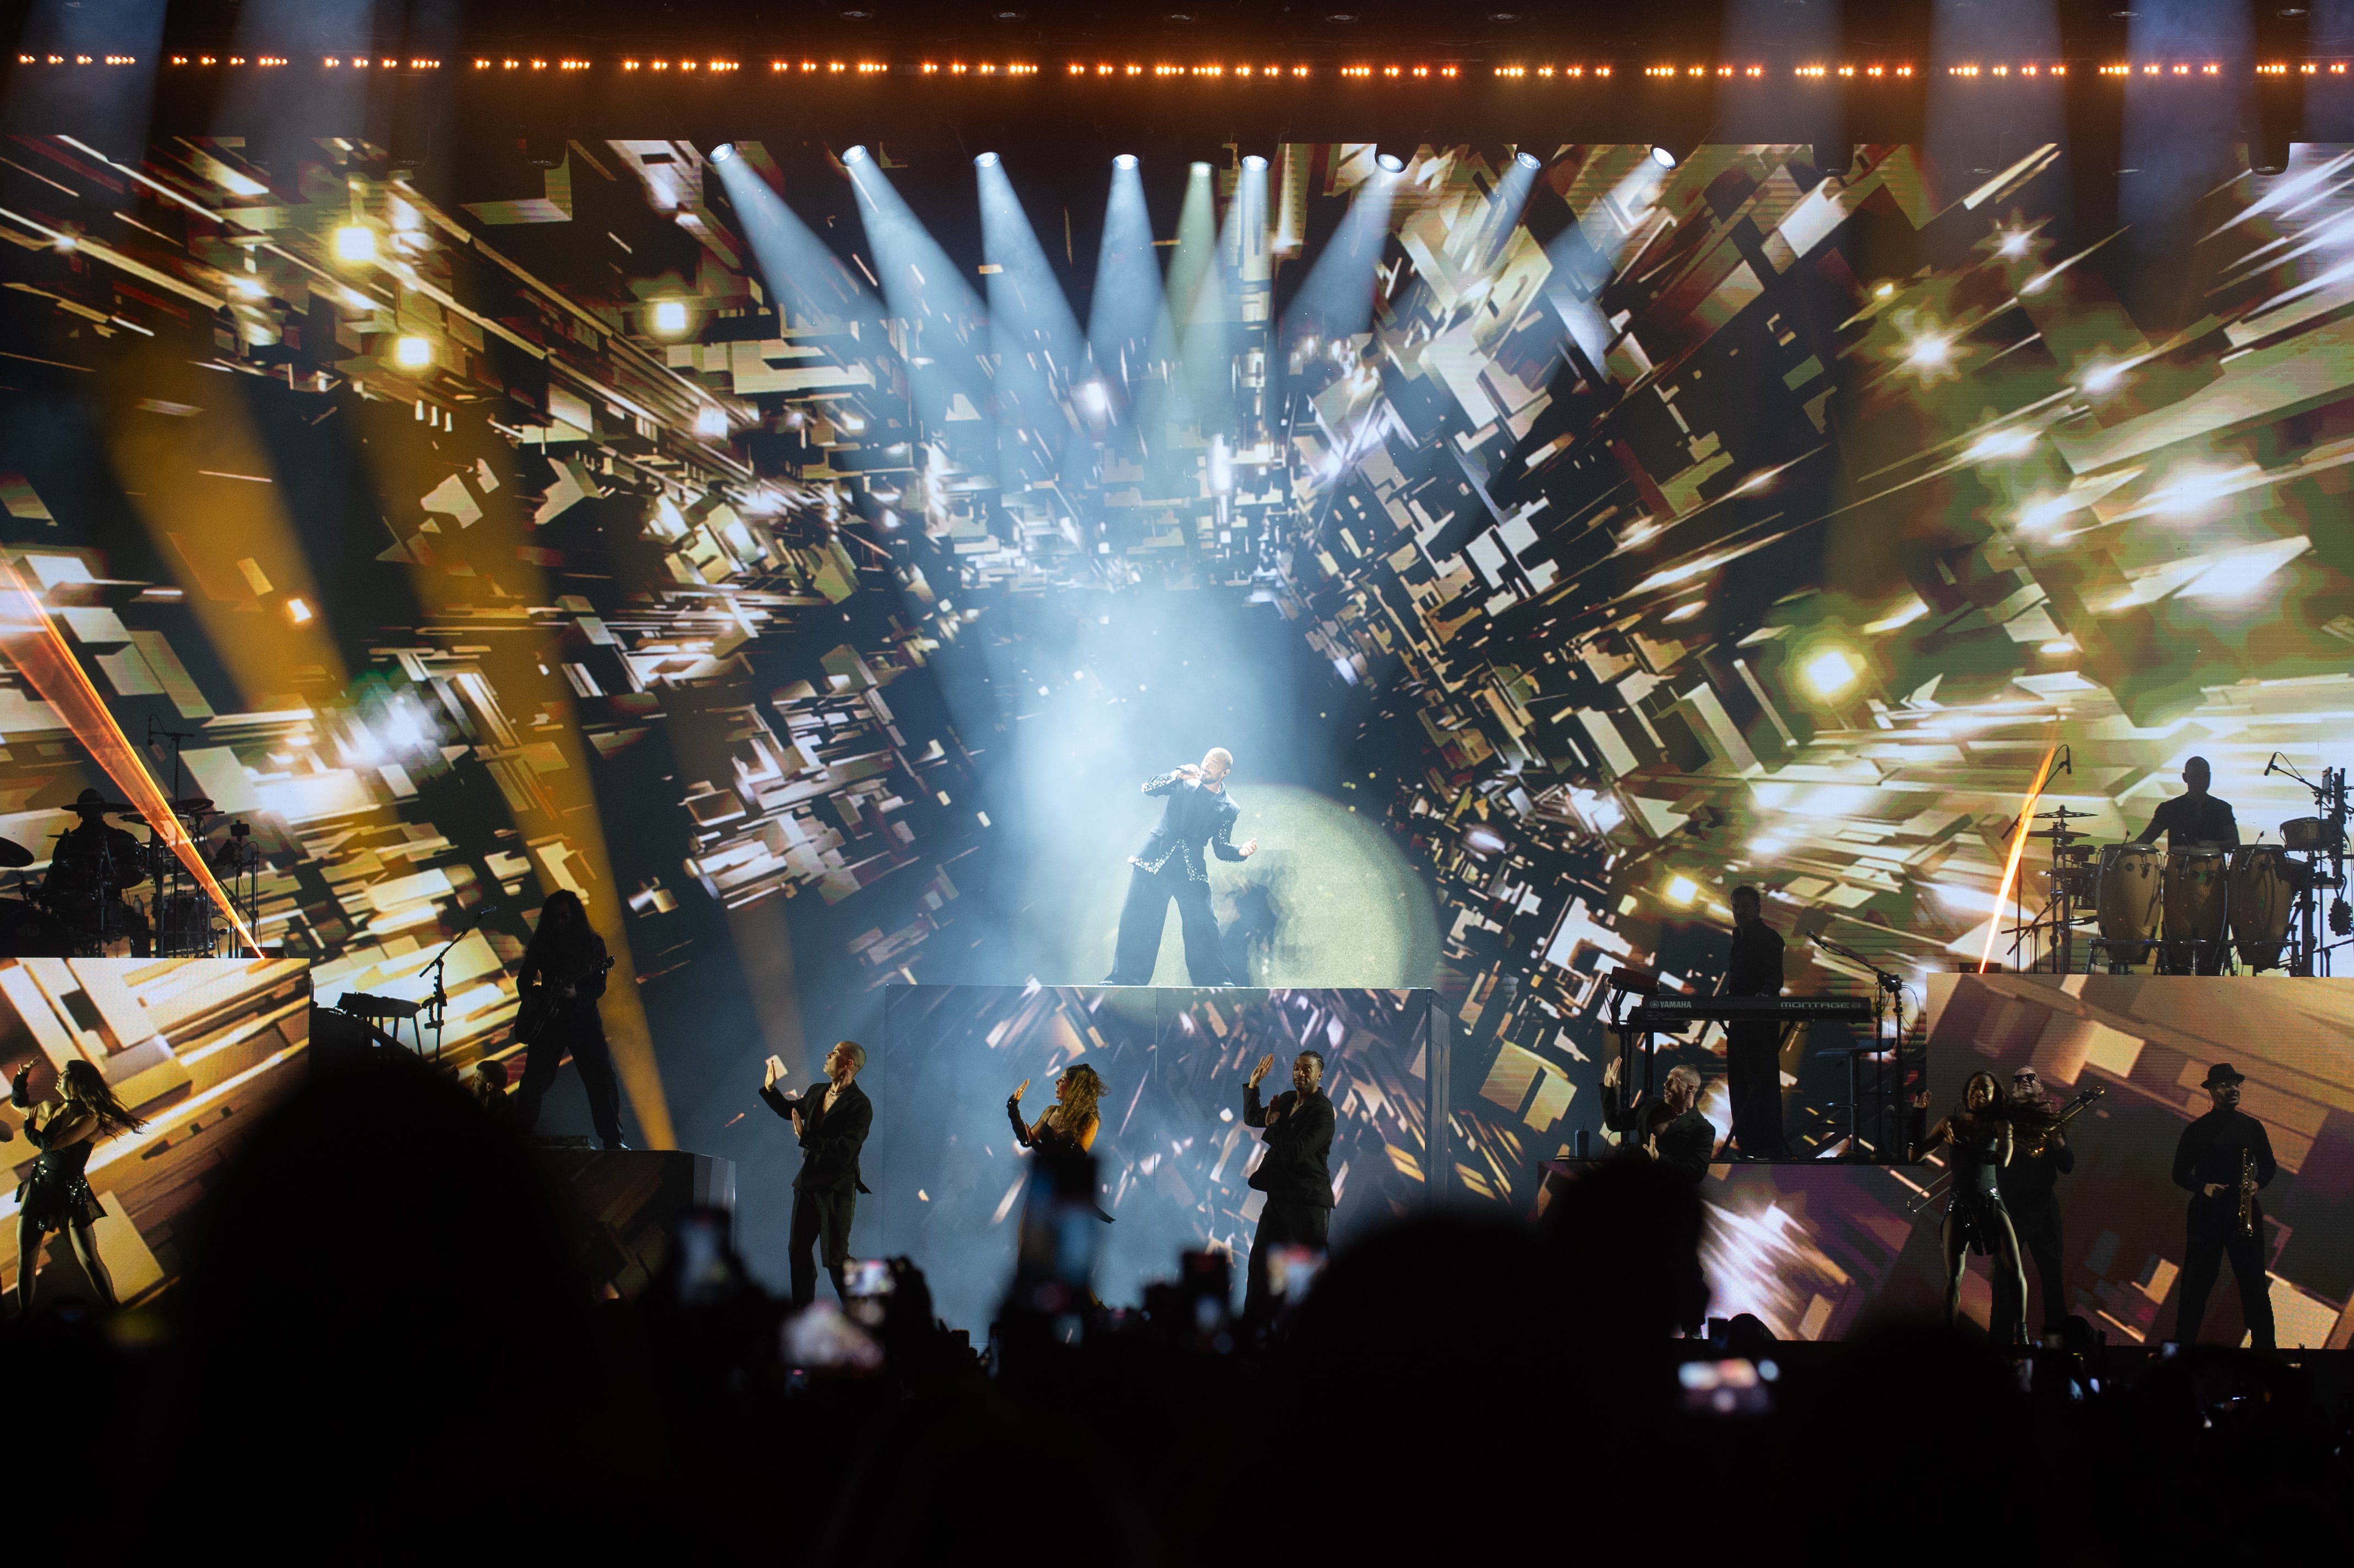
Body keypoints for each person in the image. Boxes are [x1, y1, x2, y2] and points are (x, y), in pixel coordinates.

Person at [1911, 1072, 2058, 1345]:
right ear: (1966, 1091)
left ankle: (2022, 1333)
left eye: (1985, 1089)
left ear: (1994, 1096)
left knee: (2014, 1268)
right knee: (1953, 1277)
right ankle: (1948, 1339)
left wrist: (1963, 1146)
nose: (1978, 1092)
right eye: (1974, 1087)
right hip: (1958, 1202)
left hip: (1990, 1200)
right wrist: (1917, 1116)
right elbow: (1915, 1154)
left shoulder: (2000, 1124)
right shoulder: (1950, 1123)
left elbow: (2003, 1158)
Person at [1104, 748, 1258, 986]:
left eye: (1214, 764)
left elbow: (1221, 847)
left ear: (1224, 772)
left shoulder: (1229, 808)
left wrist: (1239, 851)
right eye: (1206, 760)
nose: (1206, 765)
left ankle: (1214, 981)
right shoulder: (1184, 782)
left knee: (1203, 924)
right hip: (1155, 859)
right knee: (1139, 920)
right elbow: (1148, 788)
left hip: (1190, 869)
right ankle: (1124, 979)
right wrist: (1176, 775)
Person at [11, 1057, 146, 1314]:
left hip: (70, 1191)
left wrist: (29, 1128)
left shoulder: (89, 1118)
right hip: (40, 1186)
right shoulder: (52, 1108)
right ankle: (25, 1316)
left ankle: (114, 1308)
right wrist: (21, 1078)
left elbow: (53, 1144)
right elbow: (19, 1104)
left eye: (65, 1073)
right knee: (26, 1258)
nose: (59, 1076)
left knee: (88, 1258)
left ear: (77, 1082)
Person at [2169, 1063, 2276, 1351]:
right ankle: (2182, 1349)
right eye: (2226, 1085)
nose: (2233, 1089)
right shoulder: (2197, 1130)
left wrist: (2258, 1184)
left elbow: (2269, 1165)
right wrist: (2203, 1187)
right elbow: (2179, 1173)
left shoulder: (2252, 1127)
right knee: (2196, 1283)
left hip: (2243, 1210)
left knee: (2253, 1282)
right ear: (2213, 1091)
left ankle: (2265, 1349)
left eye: (2236, 1084)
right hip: (2207, 1213)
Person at [762, 1041, 874, 1308]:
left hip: (836, 1187)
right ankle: (803, 1313)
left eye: (835, 1053)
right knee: (797, 1250)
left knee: (835, 1259)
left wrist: (808, 1138)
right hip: (808, 1183)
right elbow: (790, 1111)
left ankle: (867, 1303)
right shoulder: (816, 1092)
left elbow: (845, 1149)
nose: (828, 1055)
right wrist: (771, 1090)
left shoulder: (860, 1105)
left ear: (848, 1064)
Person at [510, 890, 624, 1149]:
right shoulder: (542, 943)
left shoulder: (593, 944)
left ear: (575, 916)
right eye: (555, 917)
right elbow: (525, 979)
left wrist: (576, 994)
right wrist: (532, 999)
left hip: (583, 1021)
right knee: (534, 1079)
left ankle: (613, 1141)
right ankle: (521, 1135)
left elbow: (598, 986)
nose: (559, 922)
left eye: (564, 916)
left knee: (601, 1078)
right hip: (549, 1021)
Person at [1242, 1048, 1335, 1322]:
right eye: (1297, 1068)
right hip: (1279, 1199)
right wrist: (1254, 1085)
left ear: (1319, 1075)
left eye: (1307, 1069)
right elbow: (1253, 1118)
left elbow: (1296, 1152)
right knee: (1259, 1268)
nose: (1300, 1073)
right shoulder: (1285, 1100)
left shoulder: (1322, 1112)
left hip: (1307, 1204)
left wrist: (1275, 1126)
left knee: (1303, 1280)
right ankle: (1250, 1332)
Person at [1997, 1066, 2074, 1338]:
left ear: (2041, 1088)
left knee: (2052, 1277)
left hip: (2044, 1208)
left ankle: (2058, 1341)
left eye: (2031, 1077)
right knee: (2005, 1278)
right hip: (2012, 1209)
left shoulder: (2051, 1121)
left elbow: (2067, 1165)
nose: (2025, 1081)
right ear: (2013, 1089)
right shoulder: (2003, 1121)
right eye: (2018, 1079)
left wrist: (2056, 1138)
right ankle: (2001, 1341)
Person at [42, 788, 150, 956]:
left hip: (78, 912)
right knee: (138, 926)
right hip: (96, 909)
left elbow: (55, 876)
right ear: (103, 811)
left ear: (79, 813)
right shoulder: (119, 837)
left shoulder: (67, 842)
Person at [1723, 885, 1787, 1157]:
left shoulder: (1769, 938)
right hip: (1740, 1020)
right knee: (1739, 1083)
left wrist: (1765, 994)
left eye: (1744, 906)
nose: (1739, 912)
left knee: (1762, 1083)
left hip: (1760, 1023)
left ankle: (1769, 1146)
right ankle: (1748, 1144)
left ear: (1758, 908)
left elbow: (1775, 977)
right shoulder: (1738, 939)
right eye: (1735, 907)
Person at [1007, 1063, 1114, 1221]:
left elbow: (1072, 1160)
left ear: (1074, 1088)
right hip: (1041, 1189)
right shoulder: (1051, 1112)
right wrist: (1013, 1105)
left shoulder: (1089, 1121)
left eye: (1062, 1080)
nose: (1056, 1082)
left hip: (1063, 1198)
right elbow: (1026, 1140)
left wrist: (1037, 1146)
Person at [1600, 1056, 1714, 1183]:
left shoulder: (1703, 1128)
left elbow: (1697, 1172)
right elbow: (1615, 1122)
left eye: (1673, 1081)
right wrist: (1609, 1089)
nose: (1666, 1085)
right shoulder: (1651, 1105)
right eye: (1667, 1079)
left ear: (1690, 1088)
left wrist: (1660, 1159)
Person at [2133, 755, 2239, 852]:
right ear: (2185, 777)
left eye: (2205, 775)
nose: (2201, 780)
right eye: (2196, 776)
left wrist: (2215, 845)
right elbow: (2145, 840)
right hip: (2179, 866)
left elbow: (2235, 844)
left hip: (2210, 867)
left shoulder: (2223, 808)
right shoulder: (2169, 808)